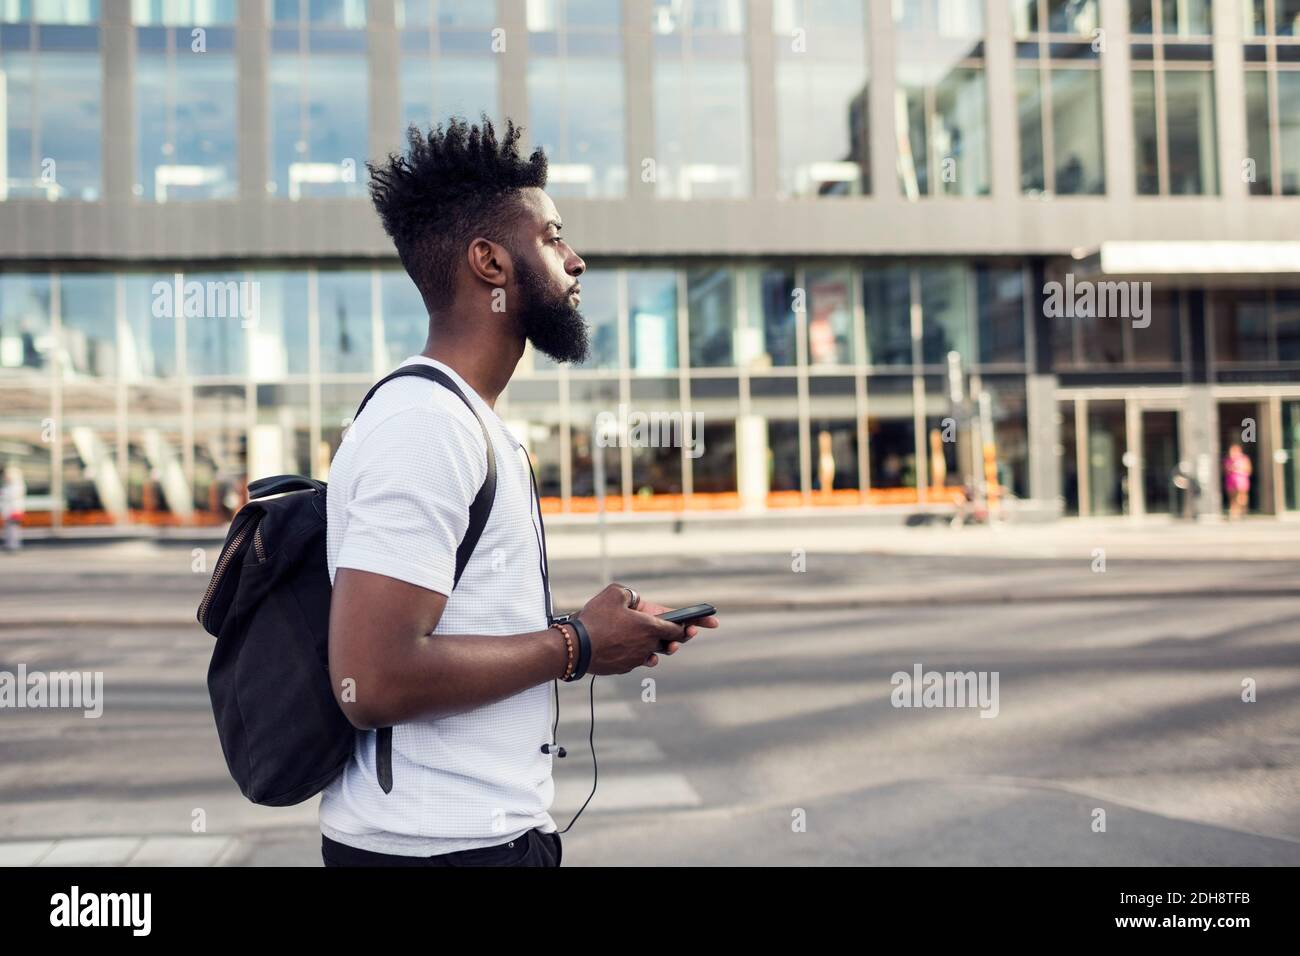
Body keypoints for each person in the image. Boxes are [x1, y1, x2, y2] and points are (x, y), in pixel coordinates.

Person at [320, 116, 719, 868]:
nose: (576, 261)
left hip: (481, 838)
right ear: (490, 263)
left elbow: (450, 630)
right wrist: (576, 644)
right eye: (554, 238)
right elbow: (368, 680)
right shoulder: (425, 424)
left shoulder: (469, 421)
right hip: (437, 852)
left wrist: (588, 633)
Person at [1223, 443, 1252, 520]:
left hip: (1241, 480)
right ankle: (1234, 513)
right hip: (1231, 481)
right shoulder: (1228, 460)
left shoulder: (1244, 459)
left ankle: (1242, 511)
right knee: (1232, 498)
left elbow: (1248, 470)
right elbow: (1225, 470)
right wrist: (1230, 468)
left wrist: (1239, 469)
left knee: (1241, 497)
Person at [1, 464, 25, 552]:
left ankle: (14, 545)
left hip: (14, 510)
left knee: (13, 529)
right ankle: (9, 544)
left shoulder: (17, 485)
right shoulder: (8, 485)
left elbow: (10, 496)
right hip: (9, 510)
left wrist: (2, 494)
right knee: (9, 528)